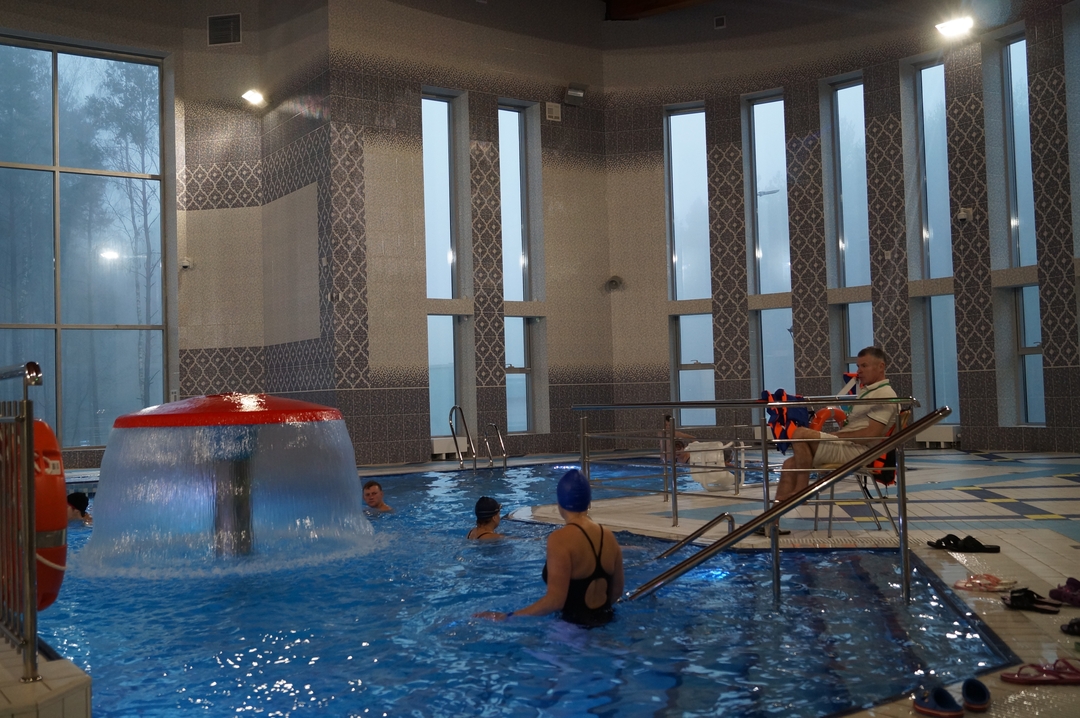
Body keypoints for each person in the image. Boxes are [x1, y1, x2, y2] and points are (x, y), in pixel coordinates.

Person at [475, 469, 624, 627]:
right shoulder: (608, 536)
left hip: (571, 631)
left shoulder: (560, 539)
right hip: (608, 624)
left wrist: (507, 616)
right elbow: (616, 592)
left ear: (560, 504)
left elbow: (555, 601)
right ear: (588, 502)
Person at [774, 346, 898, 504]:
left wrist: (837, 436)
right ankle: (773, 518)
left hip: (860, 452)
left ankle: (801, 491)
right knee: (789, 464)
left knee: (799, 433)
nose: (859, 371)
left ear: (881, 366)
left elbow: (871, 433)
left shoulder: (885, 394)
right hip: (849, 447)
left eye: (864, 366)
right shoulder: (869, 391)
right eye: (858, 366)